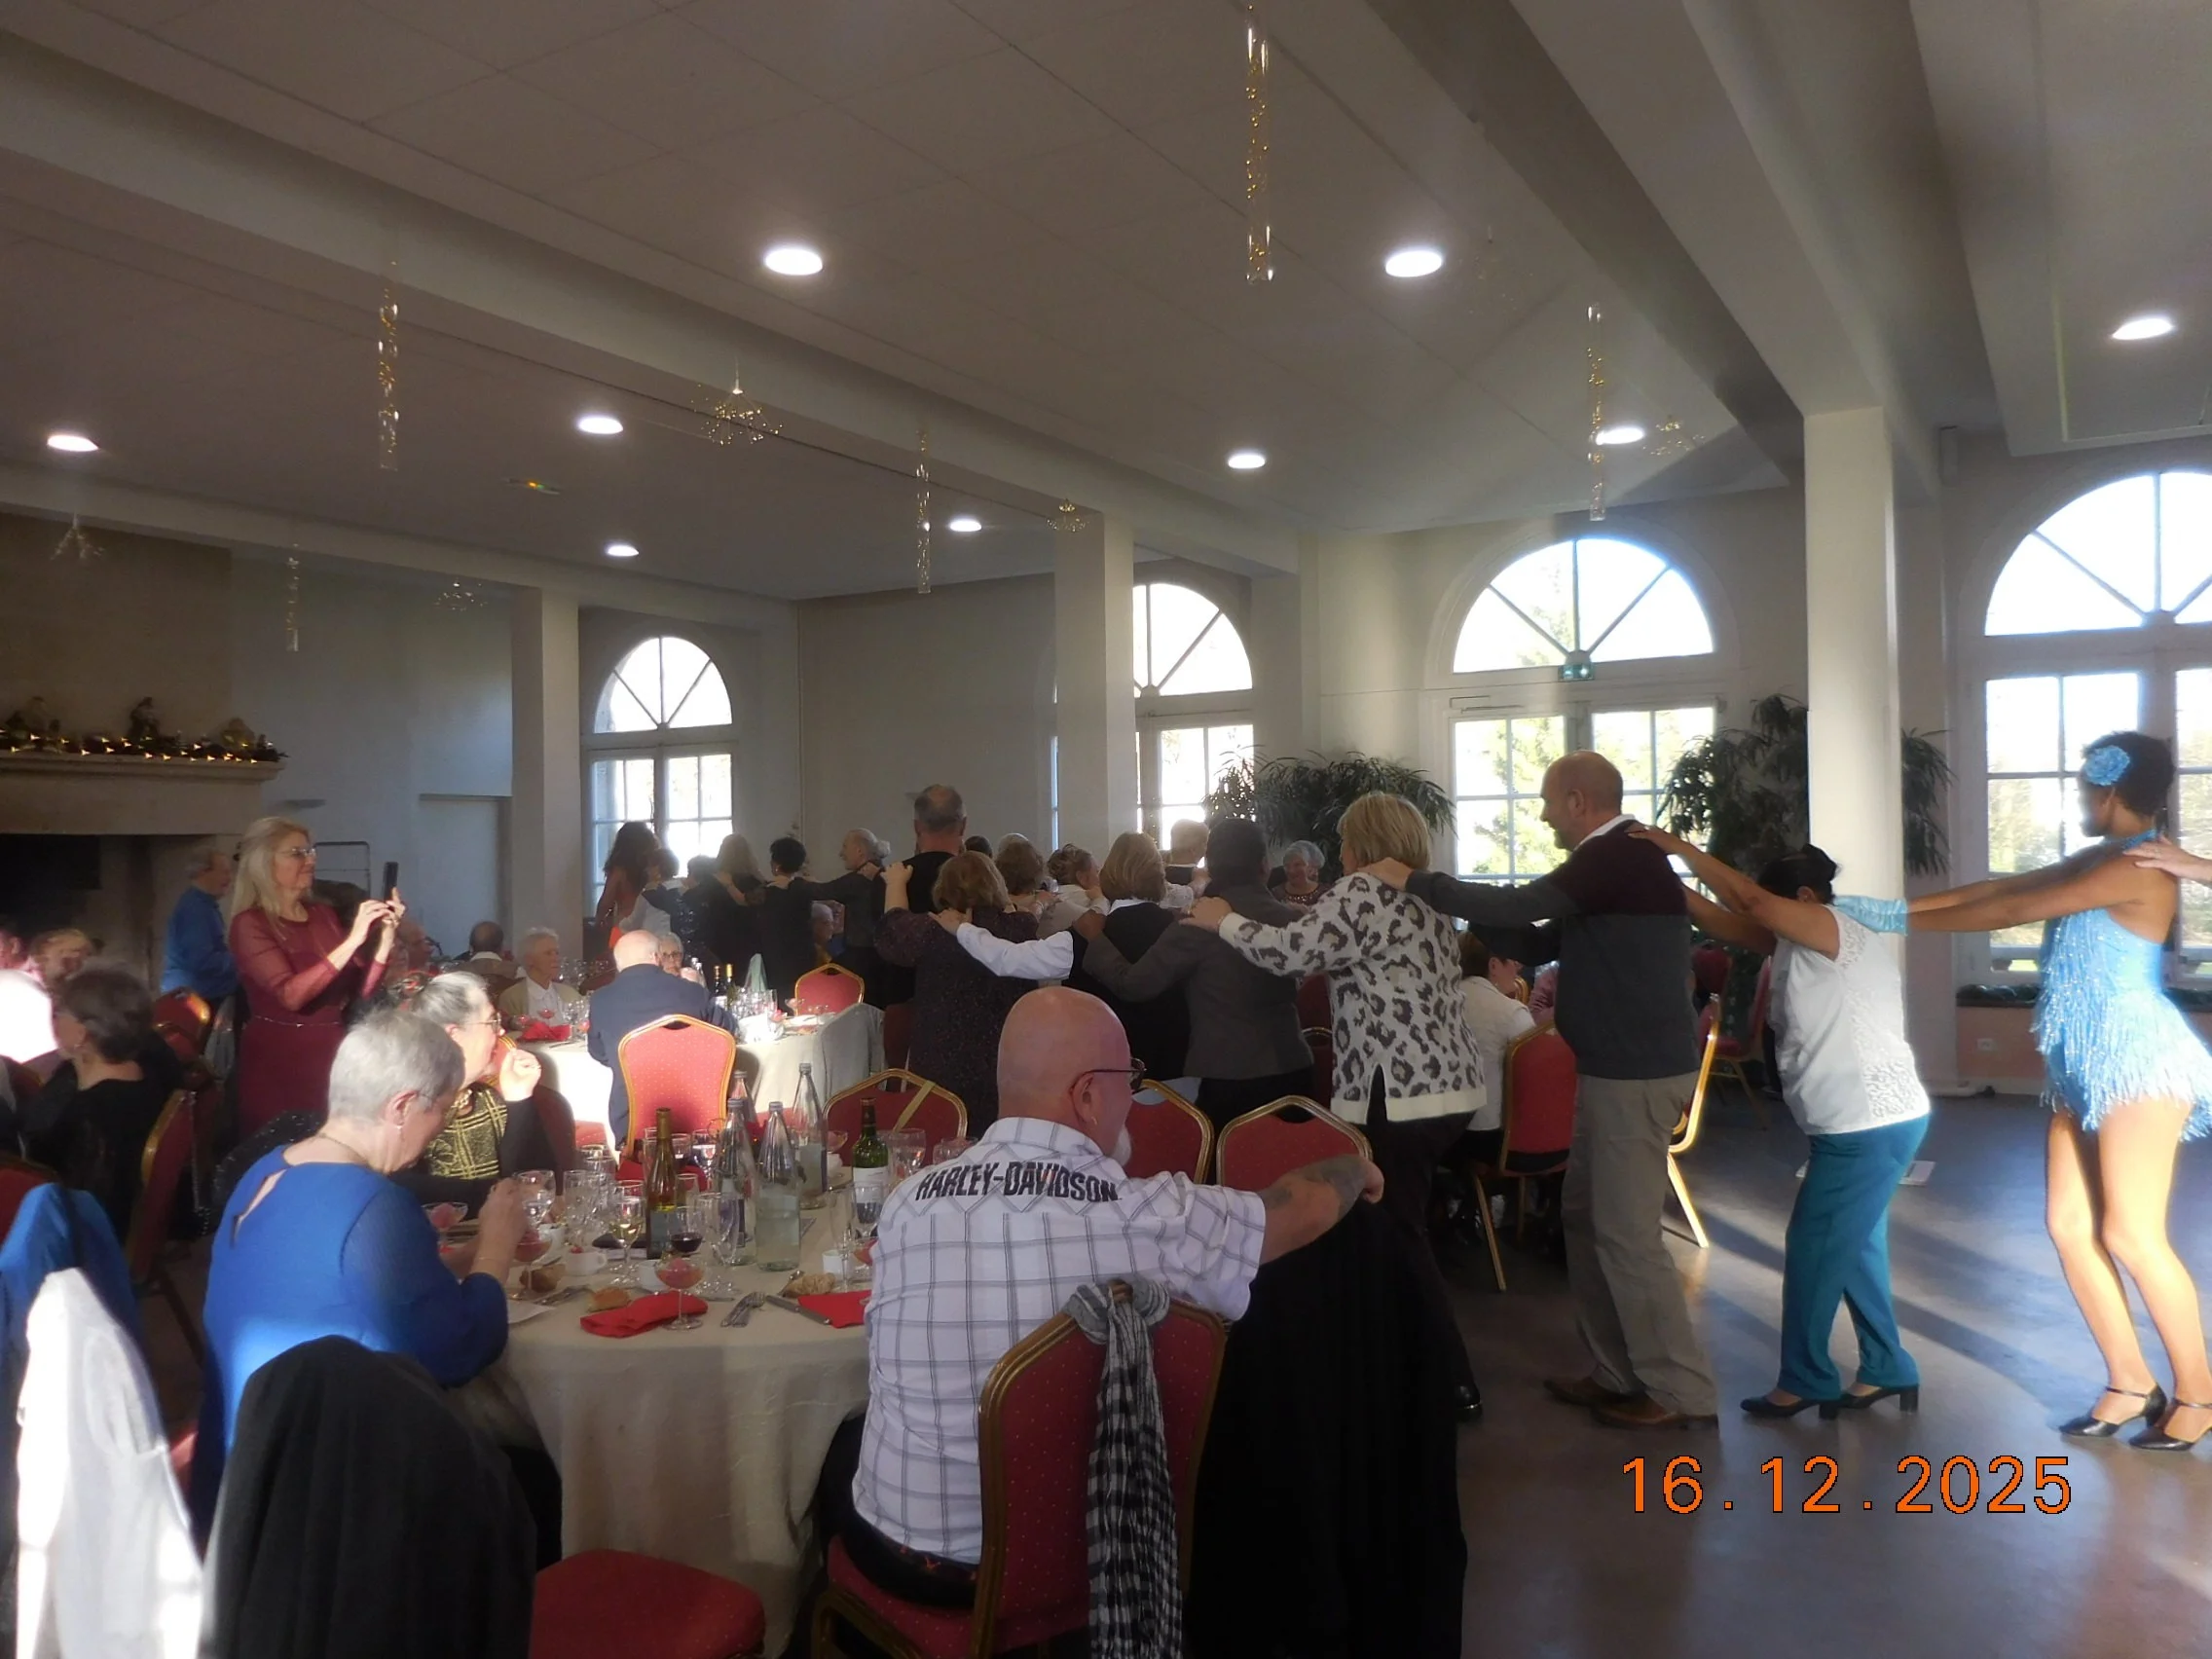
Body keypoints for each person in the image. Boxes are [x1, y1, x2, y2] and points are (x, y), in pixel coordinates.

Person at [839, 986, 1383, 1606]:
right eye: (1131, 1081)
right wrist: (1357, 1170)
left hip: (894, 1553)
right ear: (1089, 1096)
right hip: (1055, 1567)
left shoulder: (907, 1203)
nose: (1133, 1098)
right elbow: (1301, 1207)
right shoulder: (1152, 1218)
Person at [1872, 733, 2212, 1448]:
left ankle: (2200, 1396)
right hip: (2079, 1062)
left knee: (2131, 1234)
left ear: (2107, 792)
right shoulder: (2102, 855)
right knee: (2068, 1226)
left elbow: (2011, 912)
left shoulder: (2137, 865)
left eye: (2083, 788)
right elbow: (2002, 890)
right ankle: (2130, 1383)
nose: (2078, 799)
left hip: (2137, 1061)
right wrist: (1886, 908)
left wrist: (1895, 922)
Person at [1367, 753, 1717, 1430]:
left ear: (1579, 800)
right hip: (1616, 1070)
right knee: (1586, 1220)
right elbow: (1531, 940)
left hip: (1634, 1073)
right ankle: (1617, 1372)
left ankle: (1677, 1390)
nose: (1545, 814)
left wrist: (1416, 880)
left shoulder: (1614, 854)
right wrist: (1451, 909)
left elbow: (1520, 906)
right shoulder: (1613, 865)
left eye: (1550, 802)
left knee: (1626, 1237)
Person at [1187, 793, 1485, 1416]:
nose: (1341, 852)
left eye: (1346, 839)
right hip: (1448, 1083)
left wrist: (1223, 921)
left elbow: (1292, 953)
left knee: (1398, 1228)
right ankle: (1398, 1358)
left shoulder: (1362, 892)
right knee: (1393, 1224)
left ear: (1363, 843)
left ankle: (1449, 1379)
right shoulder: (1428, 895)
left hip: (1397, 1091)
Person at [193, 1009, 523, 1534]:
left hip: (235, 1466)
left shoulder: (267, 1169)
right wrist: (497, 1250)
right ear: (402, 1106)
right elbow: (458, 1351)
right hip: (319, 1494)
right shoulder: (373, 1204)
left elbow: (337, 1280)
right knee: (517, 1472)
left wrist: (471, 1253)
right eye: (441, 1109)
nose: (439, 1129)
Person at [1639, 831, 1931, 1419]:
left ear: (1803, 897)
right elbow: (1726, 919)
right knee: (1854, 1246)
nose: (1761, 916)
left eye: (1771, 904)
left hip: (1866, 1123)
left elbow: (1747, 902)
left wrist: (1677, 847)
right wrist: (1661, 879)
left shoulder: (1833, 926)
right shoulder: (1797, 940)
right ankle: (1887, 1365)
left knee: (1813, 1245)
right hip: (1865, 1121)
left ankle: (1806, 1377)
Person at [954, 818, 1311, 1132]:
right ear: (1265, 866)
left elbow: (1130, 983)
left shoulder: (1192, 925)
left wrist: (961, 929)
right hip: (1282, 1066)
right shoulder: (1288, 919)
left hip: (1212, 1077)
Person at [228, 817, 400, 1135]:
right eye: (297, 853)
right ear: (265, 863)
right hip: (282, 1060)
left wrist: (386, 936)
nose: (310, 860)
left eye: (310, 851)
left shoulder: (322, 914)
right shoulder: (249, 924)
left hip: (332, 1051)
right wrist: (353, 940)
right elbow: (291, 996)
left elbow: (360, 992)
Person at [875, 854, 1038, 1130]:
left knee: (942, 1137)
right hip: (1005, 1063)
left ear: (943, 889)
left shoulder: (932, 932)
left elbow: (893, 927)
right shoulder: (1021, 927)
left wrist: (895, 882)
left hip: (941, 1063)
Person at [20, 964, 171, 1240]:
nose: (53, 1022)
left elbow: (68, 1208)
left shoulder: (90, 1117)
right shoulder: (147, 1076)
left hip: (82, 1242)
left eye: (58, 1013)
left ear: (81, 1034)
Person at [391, 973, 557, 1216]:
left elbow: (540, 1182)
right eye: (492, 1021)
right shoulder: (405, 1108)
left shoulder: (485, 1100)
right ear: (453, 1036)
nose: (501, 1031)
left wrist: (519, 1098)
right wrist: (503, 1193)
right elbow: (403, 1189)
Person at [585, 928, 732, 1145]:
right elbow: (726, 1032)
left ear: (618, 963)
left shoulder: (601, 999)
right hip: (699, 1114)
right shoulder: (690, 991)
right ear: (656, 957)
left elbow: (599, 1053)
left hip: (634, 1119)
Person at [1064, 832, 1191, 1083]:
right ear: (1158, 875)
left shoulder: (1085, 933)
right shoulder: (1182, 930)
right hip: (1174, 1070)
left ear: (1107, 873)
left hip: (1104, 1073)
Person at [1455, 932, 1536, 1168]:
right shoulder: (1511, 1013)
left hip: (1443, 1130)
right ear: (1493, 965)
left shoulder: (1439, 1001)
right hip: (1489, 1134)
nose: (1518, 968)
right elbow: (1536, 1081)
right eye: (1512, 960)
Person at [162, 840, 239, 1005]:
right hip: (196, 999)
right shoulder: (195, 910)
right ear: (203, 873)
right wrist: (243, 957)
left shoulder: (202, 905)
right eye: (224, 872)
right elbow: (202, 961)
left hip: (199, 994)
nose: (229, 879)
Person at [592, 822, 658, 955]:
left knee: (620, 960)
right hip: (648, 923)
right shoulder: (653, 869)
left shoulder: (619, 870)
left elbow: (606, 901)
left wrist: (598, 921)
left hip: (623, 924)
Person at [498, 928, 584, 1025]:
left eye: (556, 953)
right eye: (548, 953)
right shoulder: (511, 998)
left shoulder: (571, 995)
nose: (556, 958)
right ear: (529, 959)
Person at [1039, 844, 1104, 938]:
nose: (1100, 877)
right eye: (1096, 871)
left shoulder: (1050, 897)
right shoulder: (1088, 899)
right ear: (1082, 878)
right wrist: (1099, 898)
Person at [1272, 840, 1328, 910]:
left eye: (1297, 865)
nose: (1291, 871)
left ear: (1311, 867)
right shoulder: (1275, 894)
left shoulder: (1326, 893)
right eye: (1287, 866)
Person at [1165, 819, 1209, 888]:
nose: (1207, 849)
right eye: (1205, 844)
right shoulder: (1204, 880)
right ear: (1193, 850)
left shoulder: (1157, 876)